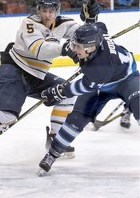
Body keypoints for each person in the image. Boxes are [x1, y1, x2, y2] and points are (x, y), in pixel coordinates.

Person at [0, 0, 100, 159]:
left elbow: (87, 37)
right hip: (14, 72)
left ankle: (55, 139)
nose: (48, 15)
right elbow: (38, 50)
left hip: (36, 76)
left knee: (66, 94)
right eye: (44, 10)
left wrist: (90, 22)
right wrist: (64, 48)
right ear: (38, 9)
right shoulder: (29, 23)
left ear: (58, 10)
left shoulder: (65, 23)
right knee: (7, 115)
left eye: (52, 11)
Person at [38, 22, 139, 176]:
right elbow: (101, 25)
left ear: (91, 48)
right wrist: (90, 17)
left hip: (126, 80)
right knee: (77, 119)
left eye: (78, 47)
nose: (74, 49)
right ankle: (52, 155)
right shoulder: (98, 36)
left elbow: (79, 88)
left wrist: (59, 92)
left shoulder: (100, 69)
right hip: (101, 82)